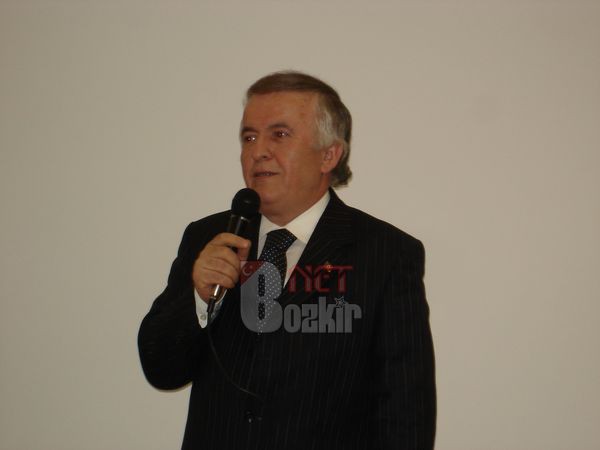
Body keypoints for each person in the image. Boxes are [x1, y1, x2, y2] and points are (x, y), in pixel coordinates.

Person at [138, 71, 436, 449]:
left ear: (329, 154)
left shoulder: (385, 253)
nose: (258, 151)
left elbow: (406, 412)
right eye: (249, 137)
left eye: (279, 134)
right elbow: (161, 369)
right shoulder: (209, 237)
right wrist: (198, 298)